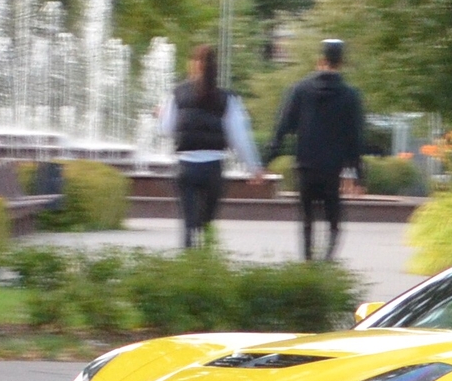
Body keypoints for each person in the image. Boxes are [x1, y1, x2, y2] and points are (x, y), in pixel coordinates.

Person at [265, 38, 366, 261]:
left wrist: (267, 159)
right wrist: (358, 174)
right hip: (332, 169)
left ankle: (308, 263)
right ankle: (327, 260)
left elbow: (282, 126)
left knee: (307, 220)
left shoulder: (300, 90)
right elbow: (355, 137)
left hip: (305, 165)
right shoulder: (350, 96)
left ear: (321, 60)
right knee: (334, 221)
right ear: (341, 63)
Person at [156, 43, 258, 248]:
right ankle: (207, 267)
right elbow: (239, 136)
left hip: (186, 168)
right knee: (207, 226)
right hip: (213, 169)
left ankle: (188, 270)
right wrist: (254, 167)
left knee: (189, 226)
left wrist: (160, 116)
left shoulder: (177, 94)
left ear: (193, 65)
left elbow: (166, 130)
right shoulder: (227, 98)